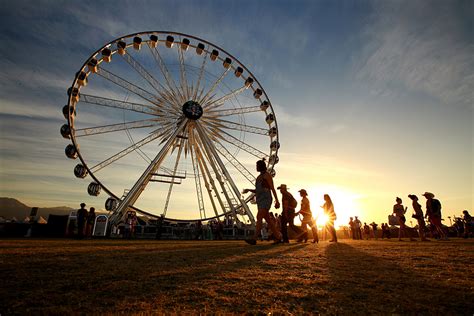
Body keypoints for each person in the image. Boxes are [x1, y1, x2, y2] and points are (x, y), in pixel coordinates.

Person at [243, 159, 282, 245]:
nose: (256, 167)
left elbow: (272, 188)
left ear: (261, 166)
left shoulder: (267, 176)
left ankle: (254, 238)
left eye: (257, 166)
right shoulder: (259, 177)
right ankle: (278, 237)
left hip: (266, 199)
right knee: (269, 221)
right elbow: (258, 190)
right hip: (260, 200)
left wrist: (277, 201)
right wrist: (248, 190)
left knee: (259, 216)